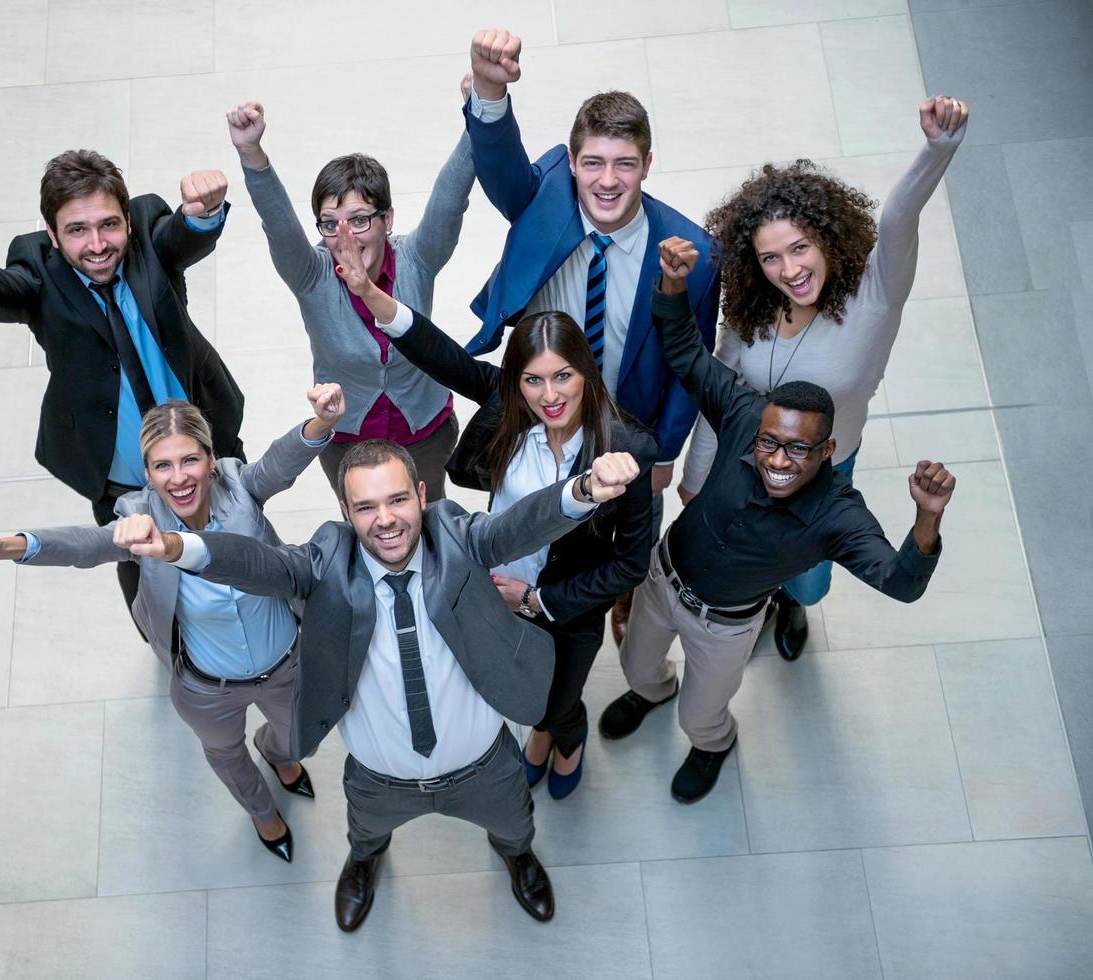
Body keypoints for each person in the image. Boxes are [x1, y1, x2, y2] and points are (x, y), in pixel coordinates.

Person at [124, 439, 642, 930]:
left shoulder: (456, 536)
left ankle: (518, 857)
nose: (386, 519)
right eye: (366, 507)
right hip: (379, 778)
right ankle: (365, 861)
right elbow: (256, 563)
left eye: (397, 499)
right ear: (347, 514)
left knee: (515, 827)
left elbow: (517, 527)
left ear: (421, 496)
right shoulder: (326, 563)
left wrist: (583, 491)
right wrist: (175, 547)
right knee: (366, 832)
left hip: (485, 765)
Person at [599, 237, 957, 805]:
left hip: (726, 625)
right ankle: (650, 694)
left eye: (797, 450)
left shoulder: (839, 512)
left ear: (828, 450)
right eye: (770, 443)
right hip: (662, 580)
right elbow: (687, 354)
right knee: (636, 666)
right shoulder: (743, 411)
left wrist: (927, 519)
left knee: (701, 713)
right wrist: (671, 282)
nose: (776, 460)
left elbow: (901, 583)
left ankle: (713, 744)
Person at [329, 227, 656, 800]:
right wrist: (371, 296)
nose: (548, 395)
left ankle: (565, 736)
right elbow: (443, 356)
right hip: (494, 584)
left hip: (566, 605)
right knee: (515, 682)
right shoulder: (511, 408)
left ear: (587, 373)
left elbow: (630, 565)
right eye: (532, 379)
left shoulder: (625, 448)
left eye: (563, 376)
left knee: (557, 699)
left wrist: (536, 601)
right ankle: (541, 731)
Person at [0, 385, 345, 861]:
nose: (178, 478)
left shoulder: (239, 488)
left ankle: (276, 753)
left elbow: (279, 463)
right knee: (225, 754)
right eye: (163, 466)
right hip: (208, 686)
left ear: (210, 460)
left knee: (296, 740)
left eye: (189, 461)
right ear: (147, 473)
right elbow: (85, 545)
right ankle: (264, 815)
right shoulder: (139, 518)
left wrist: (323, 422)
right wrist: (8, 546)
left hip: (288, 665)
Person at [678, 96, 970, 659]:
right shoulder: (752, 309)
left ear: (826, 238)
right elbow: (719, 390)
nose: (789, 271)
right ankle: (759, 598)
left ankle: (792, 603)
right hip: (744, 452)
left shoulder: (875, 297)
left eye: (799, 248)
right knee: (738, 548)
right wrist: (696, 473)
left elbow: (898, 218)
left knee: (808, 579)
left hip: (825, 465)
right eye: (770, 259)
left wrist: (938, 148)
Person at [0, 149, 245, 610]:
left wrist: (205, 210)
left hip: (206, 438)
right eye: (77, 230)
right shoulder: (37, 267)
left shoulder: (148, 227)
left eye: (109, 225)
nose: (97, 244)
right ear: (53, 236)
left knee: (238, 537)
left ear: (128, 222)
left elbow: (182, 235)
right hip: (119, 474)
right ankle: (163, 636)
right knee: (139, 567)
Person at [460, 29, 721, 554]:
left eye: (625, 163)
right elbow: (501, 168)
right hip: (540, 410)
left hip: (625, 426)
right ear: (574, 163)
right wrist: (489, 90)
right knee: (527, 522)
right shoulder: (547, 196)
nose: (607, 181)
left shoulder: (695, 253)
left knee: (617, 539)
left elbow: (691, 366)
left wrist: (664, 453)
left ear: (647, 165)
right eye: (593, 163)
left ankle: (618, 598)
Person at [226, 100, 474, 500]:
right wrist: (251, 153)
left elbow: (452, 197)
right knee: (369, 532)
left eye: (359, 219)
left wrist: (479, 114)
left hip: (425, 431)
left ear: (387, 218)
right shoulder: (312, 274)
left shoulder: (417, 258)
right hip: (348, 440)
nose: (347, 237)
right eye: (330, 224)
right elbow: (277, 223)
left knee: (431, 522)